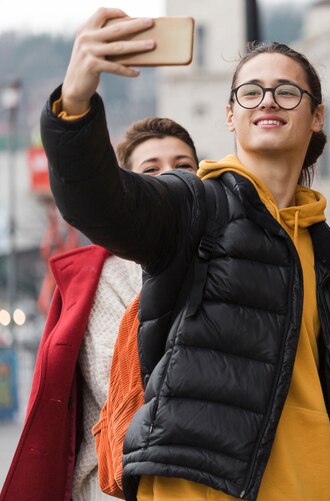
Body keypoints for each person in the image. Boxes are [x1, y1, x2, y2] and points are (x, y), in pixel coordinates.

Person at [39, 7, 330, 501]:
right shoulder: (195, 204)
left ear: (316, 116)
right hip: (198, 485)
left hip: (311, 484)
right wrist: (75, 100)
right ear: (230, 114)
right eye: (250, 92)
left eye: (287, 91)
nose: (268, 101)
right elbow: (102, 204)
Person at [0, 116, 199, 501]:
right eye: (151, 169)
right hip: (117, 484)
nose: (170, 177)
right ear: (128, 187)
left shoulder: (225, 257)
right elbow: (121, 385)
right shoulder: (105, 276)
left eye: (183, 166)